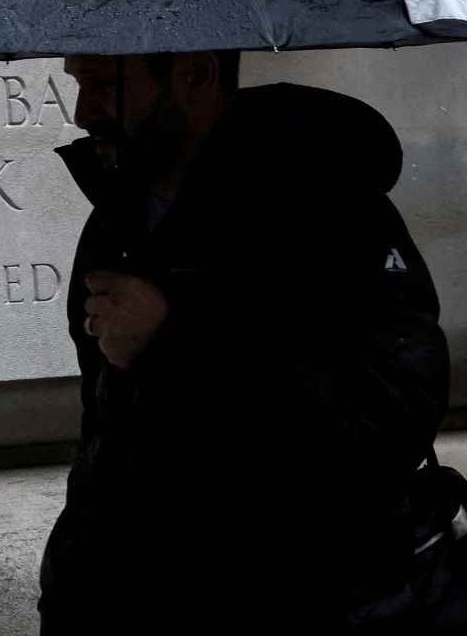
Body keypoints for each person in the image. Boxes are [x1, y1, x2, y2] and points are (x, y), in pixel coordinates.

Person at [38, 51, 450, 634]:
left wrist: (172, 341)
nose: (83, 113)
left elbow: (386, 419)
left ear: (195, 72)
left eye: (103, 83)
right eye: (78, 84)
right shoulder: (117, 216)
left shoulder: (329, 207)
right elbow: (108, 424)